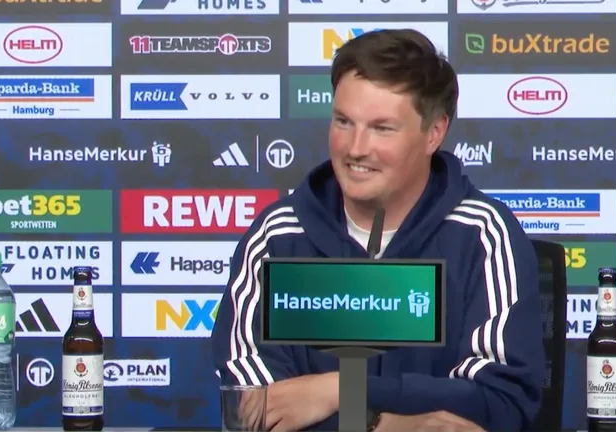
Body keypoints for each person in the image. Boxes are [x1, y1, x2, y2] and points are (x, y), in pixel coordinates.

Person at [212, 28, 546, 431]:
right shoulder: (277, 236)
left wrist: (340, 391)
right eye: (343, 122)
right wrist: (388, 424)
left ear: (434, 133)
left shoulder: (483, 235)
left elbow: (500, 402)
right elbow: (254, 409)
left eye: (381, 128)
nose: (355, 148)